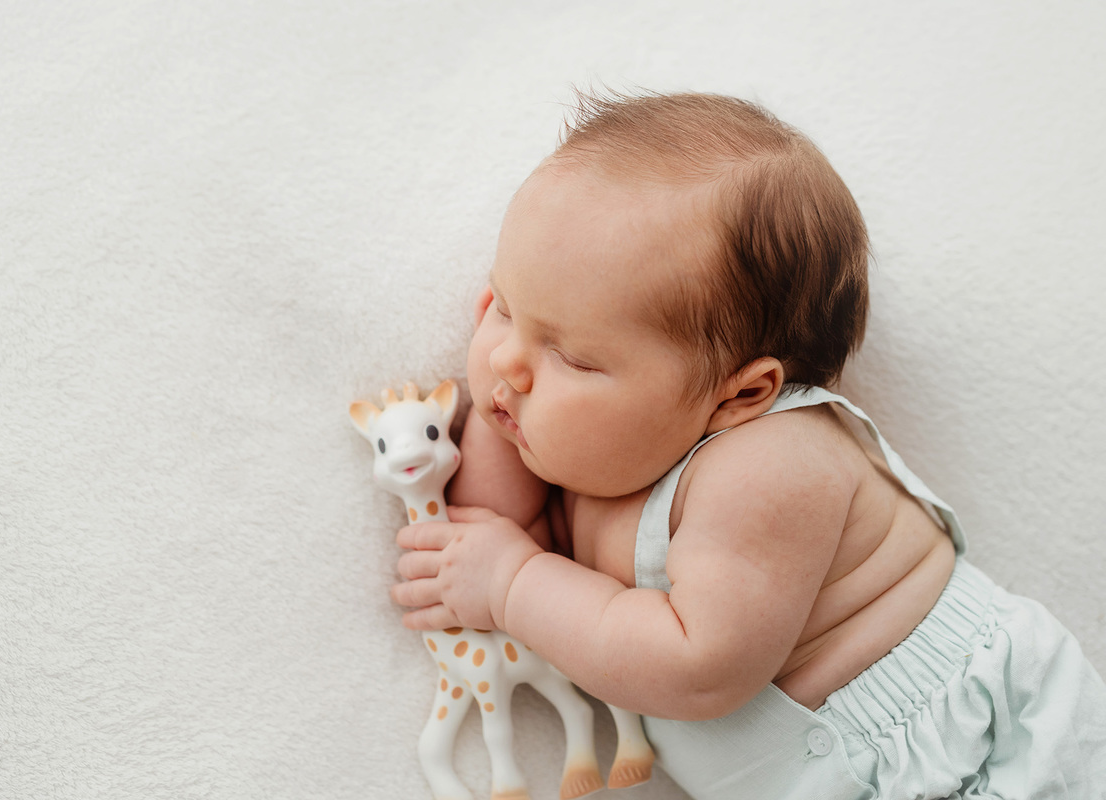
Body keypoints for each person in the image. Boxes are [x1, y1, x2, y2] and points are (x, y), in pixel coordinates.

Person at [390, 91, 1106, 798]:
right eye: (505, 305)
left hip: (969, 751)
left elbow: (697, 666)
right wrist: (495, 409)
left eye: (572, 356)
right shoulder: (597, 452)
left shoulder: (770, 463)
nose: (508, 360)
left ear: (742, 393)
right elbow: (488, 528)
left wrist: (514, 585)